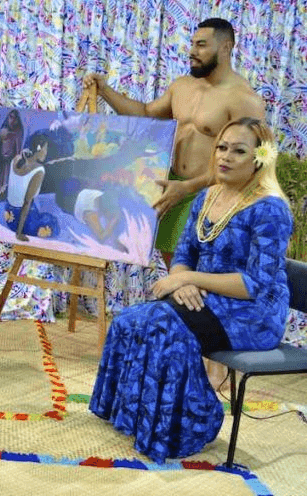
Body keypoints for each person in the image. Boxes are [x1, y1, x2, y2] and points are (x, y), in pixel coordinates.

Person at [89, 118, 291, 463]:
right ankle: (132, 416)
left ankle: (194, 422)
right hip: (208, 297)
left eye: (238, 151)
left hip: (252, 314)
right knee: (130, 319)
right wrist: (183, 278)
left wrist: (189, 280)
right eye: (222, 147)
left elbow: (255, 285)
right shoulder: (207, 196)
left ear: (259, 159)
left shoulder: (270, 208)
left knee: (164, 327)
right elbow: (183, 255)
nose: (225, 156)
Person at [83, 18, 265, 265]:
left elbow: (248, 162)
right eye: (192, 44)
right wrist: (105, 90)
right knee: (175, 268)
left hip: (212, 194)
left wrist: (189, 187)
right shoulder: (182, 87)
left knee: (200, 273)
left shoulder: (244, 99)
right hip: (175, 188)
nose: (192, 51)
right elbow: (146, 114)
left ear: (225, 48)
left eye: (201, 45)